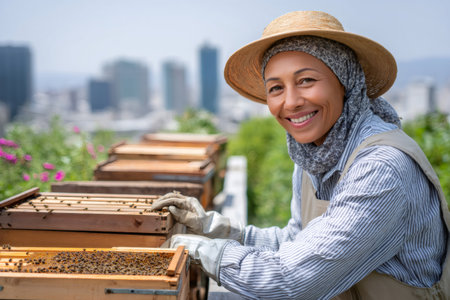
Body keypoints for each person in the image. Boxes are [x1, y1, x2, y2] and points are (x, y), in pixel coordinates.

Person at [151, 11, 450, 299]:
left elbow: (291, 281)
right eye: (276, 88)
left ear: (344, 81)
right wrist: (213, 229)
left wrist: (196, 249)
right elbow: (296, 242)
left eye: (306, 80)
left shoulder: (382, 169)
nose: (291, 102)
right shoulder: (315, 155)